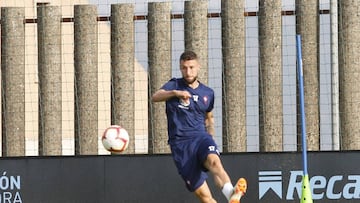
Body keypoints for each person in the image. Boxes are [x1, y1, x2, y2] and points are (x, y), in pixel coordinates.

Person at [152, 50, 247, 203]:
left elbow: (209, 118)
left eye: (191, 67)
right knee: (205, 197)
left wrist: (210, 135)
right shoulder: (174, 84)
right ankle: (231, 195)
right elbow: (155, 97)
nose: (188, 71)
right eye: (184, 68)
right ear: (180, 68)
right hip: (181, 145)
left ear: (198, 67)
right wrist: (176, 93)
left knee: (215, 163)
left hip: (200, 138)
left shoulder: (208, 93)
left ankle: (232, 194)